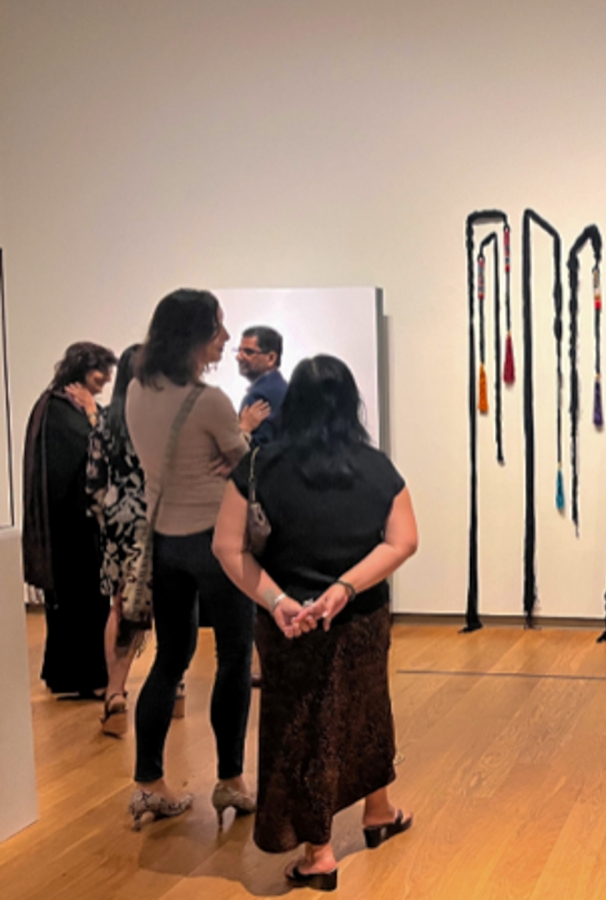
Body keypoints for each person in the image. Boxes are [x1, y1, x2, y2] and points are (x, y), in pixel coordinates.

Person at [213, 355, 417, 892]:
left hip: (289, 626)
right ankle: (378, 812)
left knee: (301, 727)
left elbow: (227, 546)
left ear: (292, 404)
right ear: (351, 404)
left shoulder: (257, 467)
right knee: (369, 710)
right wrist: (346, 588)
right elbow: (403, 541)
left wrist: (278, 599)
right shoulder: (377, 469)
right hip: (361, 620)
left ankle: (319, 853)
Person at [124, 288, 256, 828]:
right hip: (217, 541)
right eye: (218, 329)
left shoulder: (134, 389)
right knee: (233, 658)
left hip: (164, 542)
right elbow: (244, 466)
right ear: (195, 335)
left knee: (170, 659)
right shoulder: (210, 402)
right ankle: (230, 780)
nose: (225, 339)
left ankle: (149, 782)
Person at [22, 341, 117, 697]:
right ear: (80, 370)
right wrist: (94, 417)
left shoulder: (61, 406)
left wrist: (94, 413)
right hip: (72, 531)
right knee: (82, 606)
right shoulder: (61, 411)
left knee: (78, 607)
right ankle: (84, 679)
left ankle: (73, 676)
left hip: (73, 529)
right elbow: (95, 456)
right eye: (101, 371)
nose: (107, 378)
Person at [86, 343, 150, 735]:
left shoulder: (105, 419)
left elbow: (93, 481)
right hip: (159, 517)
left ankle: (115, 692)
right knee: (170, 606)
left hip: (118, 519)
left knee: (118, 606)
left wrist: (106, 516)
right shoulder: (163, 419)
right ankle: (174, 687)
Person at [237, 326, 286, 445]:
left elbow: (247, 452)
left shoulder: (259, 396)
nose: (238, 357)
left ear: (271, 358)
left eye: (248, 352)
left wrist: (243, 428)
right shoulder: (282, 388)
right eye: (239, 351)